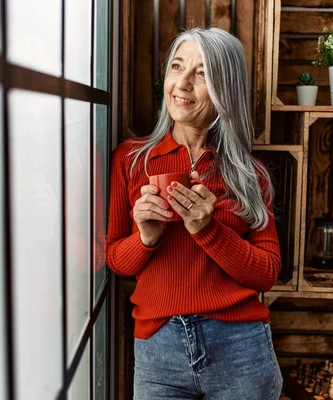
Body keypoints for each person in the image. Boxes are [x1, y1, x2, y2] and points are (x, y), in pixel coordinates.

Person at [106, 27, 283, 400]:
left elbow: (267, 273)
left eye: (201, 73)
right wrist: (146, 238)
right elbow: (117, 261)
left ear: (225, 90)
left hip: (241, 347)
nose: (182, 83)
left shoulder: (251, 174)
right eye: (177, 66)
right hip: (159, 347)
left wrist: (208, 229)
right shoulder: (131, 159)